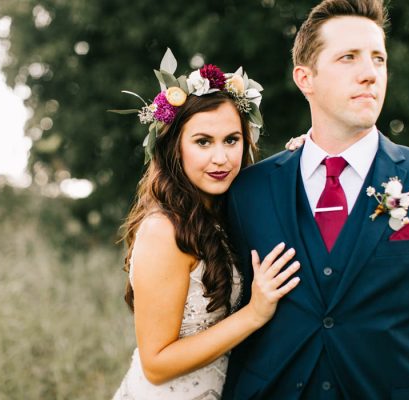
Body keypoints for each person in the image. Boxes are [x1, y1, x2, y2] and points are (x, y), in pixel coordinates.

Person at [222, 0, 409, 399]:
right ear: (305, 78)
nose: (369, 74)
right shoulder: (249, 190)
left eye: (378, 59)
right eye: (348, 58)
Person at [110, 49, 301, 399]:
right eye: (202, 142)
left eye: (232, 140)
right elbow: (156, 363)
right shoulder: (163, 230)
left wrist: (304, 157)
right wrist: (254, 314)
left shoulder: (224, 214)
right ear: (175, 148)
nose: (221, 158)